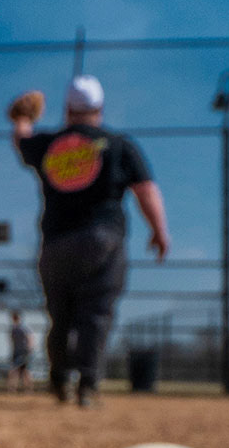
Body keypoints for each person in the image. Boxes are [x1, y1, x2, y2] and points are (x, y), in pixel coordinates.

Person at [10, 75, 170, 407]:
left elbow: (22, 141)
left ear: (68, 108)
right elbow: (146, 190)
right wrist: (159, 230)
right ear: (99, 108)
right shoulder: (117, 144)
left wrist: (22, 118)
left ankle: (58, 380)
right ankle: (88, 385)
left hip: (56, 243)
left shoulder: (49, 144)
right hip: (103, 238)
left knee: (61, 317)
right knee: (96, 314)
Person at [6, 308, 31, 393]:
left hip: (23, 352)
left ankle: (27, 389)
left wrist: (29, 348)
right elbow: (12, 341)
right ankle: (13, 388)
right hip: (16, 352)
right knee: (17, 370)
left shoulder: (22, 328)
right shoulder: (13, 329)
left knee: (23, 371)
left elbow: (29, 338)